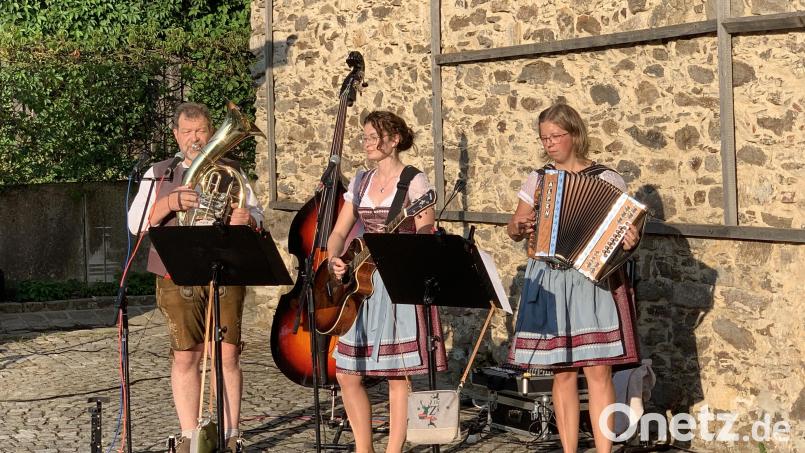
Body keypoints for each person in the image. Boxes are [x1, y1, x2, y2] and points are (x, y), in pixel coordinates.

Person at [127, 102, 263, 453]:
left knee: (228, 353)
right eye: (187, 132)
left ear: (212, 130)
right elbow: (135, 224)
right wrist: (170, 203)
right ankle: (189, 435)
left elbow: (257, 216)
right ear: (176, 134)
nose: (195, 139)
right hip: (177, 273)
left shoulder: (232, 171)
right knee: (186, 355)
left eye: (201, 131)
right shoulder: (158, 174)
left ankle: (232, 433)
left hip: (225, 269)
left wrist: (246, 219)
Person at [506, 103, 641, 453]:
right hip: (550, 277)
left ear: (574, 135)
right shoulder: (537, 179)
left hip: (589, 282)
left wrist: (630, 240)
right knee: (562, 371)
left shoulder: (607, 179)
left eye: (555, 136)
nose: (549, 143)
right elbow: (514, 228)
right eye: (544, 138)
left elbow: (623, 236)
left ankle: (604, 450)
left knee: (598, 370)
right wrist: (520, 226)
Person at [327, 111, 448, 453]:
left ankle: (393, 450)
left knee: (397, 374)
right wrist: (334, 258)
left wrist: (421, 237)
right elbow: (339, 231)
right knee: (347, 373)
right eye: (364, 136)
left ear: (394, 140)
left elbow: (425, 228)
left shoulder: (415, 181)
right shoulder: (360, 181)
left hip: (398, 281)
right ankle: (364, 448)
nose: (366, 142)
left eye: (373, 136)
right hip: (359, 284)